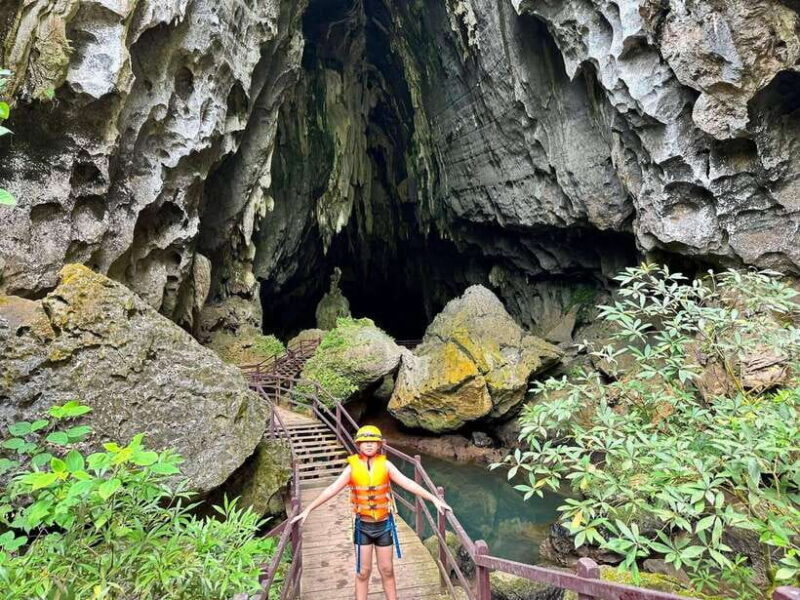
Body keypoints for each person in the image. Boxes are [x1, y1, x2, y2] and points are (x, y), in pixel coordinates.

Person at [290, 425, 452, 600]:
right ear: (358, 445)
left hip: (384, 525)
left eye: (372, 442)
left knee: (387, 570)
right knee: (363, 572)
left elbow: (408, 483)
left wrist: (433, 498)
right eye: (364, 442)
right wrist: (308, 509)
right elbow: (331, 490)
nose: (368, 445)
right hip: (363, 527)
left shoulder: (386, 465)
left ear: (379, 445)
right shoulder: (352, 468)